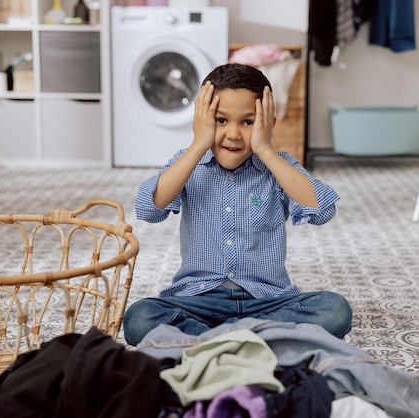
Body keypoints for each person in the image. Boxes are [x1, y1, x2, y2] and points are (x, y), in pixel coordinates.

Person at [123, 63, 352, 346]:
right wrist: (198, 145)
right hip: (198, 299)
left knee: (335, 310)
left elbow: (322, 209)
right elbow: (148, 208)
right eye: (220, 120)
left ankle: (214, 342)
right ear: (202, 119)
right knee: (139, 317)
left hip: (267, 302)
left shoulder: (278, 168)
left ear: (268, 124)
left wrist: (266, 150)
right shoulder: (189, 163)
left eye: (248, 122)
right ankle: (252, 340)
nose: (233, 133)